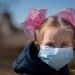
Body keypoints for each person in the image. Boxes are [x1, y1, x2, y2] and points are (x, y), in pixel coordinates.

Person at [12, 8, 75, 75]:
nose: (57, 50)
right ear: (38, 47)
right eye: (50, 45)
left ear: (73, 46)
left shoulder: (63, 67)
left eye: (64, 44)